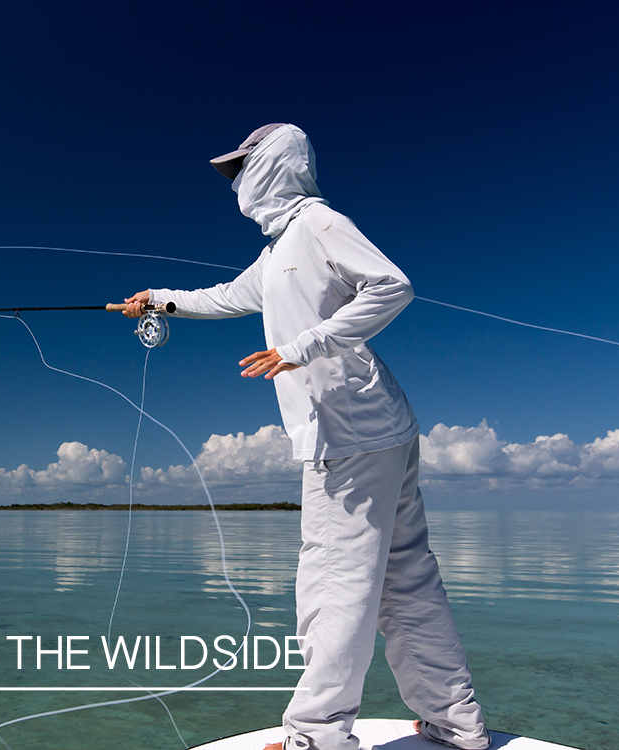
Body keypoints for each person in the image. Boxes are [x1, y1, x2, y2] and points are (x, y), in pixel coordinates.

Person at [122, 124, 490, 750]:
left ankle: (317, 737)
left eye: (242, 168)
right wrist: (159, 300)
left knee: (335, 580)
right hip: (376, 428)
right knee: (405, 578)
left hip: (347, 431)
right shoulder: (278, 252)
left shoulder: (319, 224)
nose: (236, 183)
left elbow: (392, 285)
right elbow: (223, 297)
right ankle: (454, 723)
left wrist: (303, 346)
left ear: (274, 164)